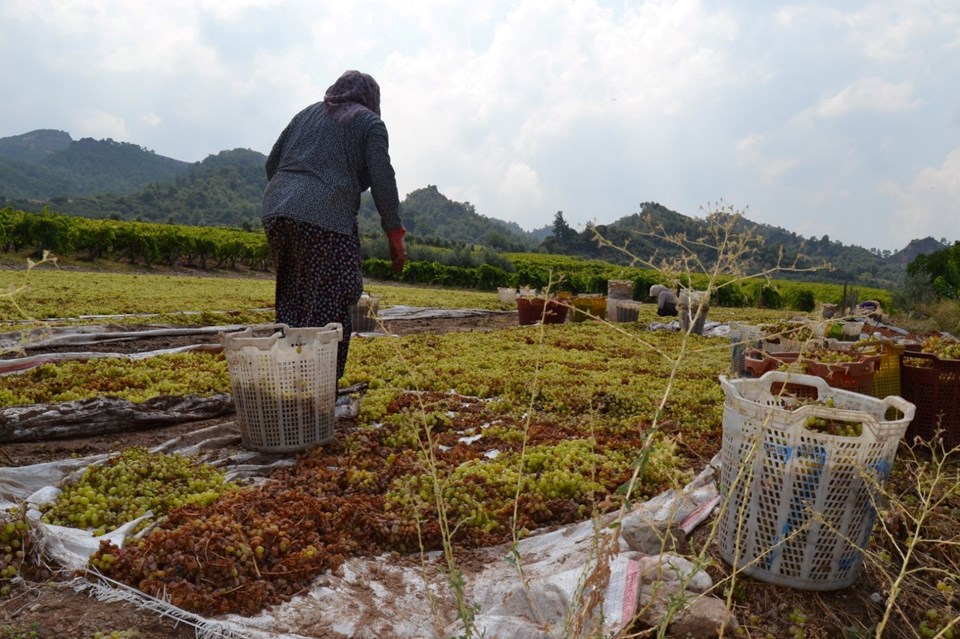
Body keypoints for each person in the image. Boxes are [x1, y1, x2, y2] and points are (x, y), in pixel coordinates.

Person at [261, 69, 407, 380]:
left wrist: (292, 196)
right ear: (371, 99)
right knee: (335, 302)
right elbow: (382, 178)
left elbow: (272, 163)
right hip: (325, 218)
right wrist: (394, 234)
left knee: (293, 298)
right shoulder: (369, 123)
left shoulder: (306, 115)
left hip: (277, 210)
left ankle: (290, 381)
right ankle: (320, 388)